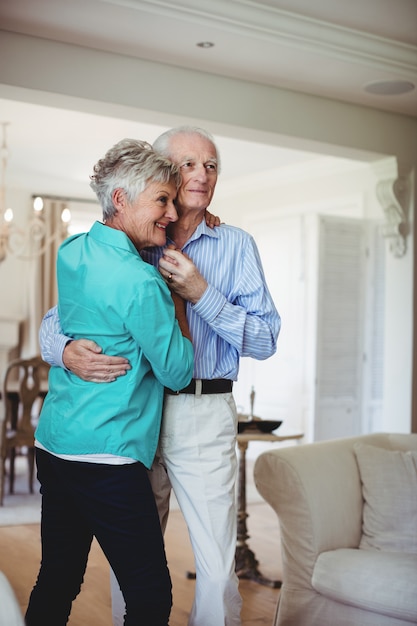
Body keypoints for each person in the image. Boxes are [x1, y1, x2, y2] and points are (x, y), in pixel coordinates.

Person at [39, 126, 281, 626]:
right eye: (189, 165)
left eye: (212, 165)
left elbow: (265, 340)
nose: (202, 175)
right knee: (135, 566)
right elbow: (59, 320)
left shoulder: (236, 245)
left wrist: (201, 292)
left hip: (201, 410)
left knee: (215, 567)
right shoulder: (135, 238)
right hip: (134, 422)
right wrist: (64, 351)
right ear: (162, 174)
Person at [26, 139, 194, 626]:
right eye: (161, 199)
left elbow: (68, 320)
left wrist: (63, 350)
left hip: (55, 443)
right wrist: (179, 298)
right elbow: (178, 371)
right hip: (107, 455)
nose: (169, 212)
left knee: (57, 576)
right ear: (120, 199)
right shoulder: (140, 281)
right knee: (149, 594)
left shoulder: (71, 250)